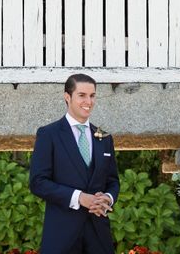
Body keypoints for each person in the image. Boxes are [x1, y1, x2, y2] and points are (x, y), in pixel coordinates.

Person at [30, 74, 120, 254]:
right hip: (61, 235)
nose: (89, 101)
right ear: (67, 97)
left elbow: (113, 181)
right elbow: (38, 182)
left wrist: (107, 198)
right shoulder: (49, 134)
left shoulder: (104, 137)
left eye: (92, 95)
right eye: (82, 95)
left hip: (99, 235)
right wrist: (79, 198)